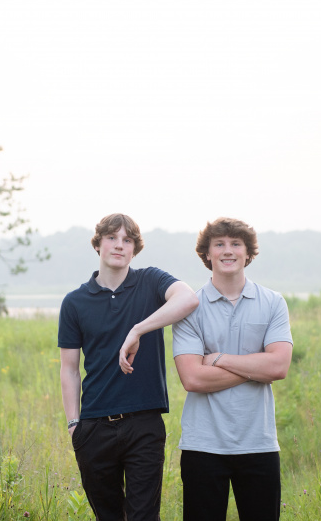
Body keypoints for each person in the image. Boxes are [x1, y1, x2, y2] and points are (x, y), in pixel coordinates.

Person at [58, 213, 199, 521]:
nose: (119, 245)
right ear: (98, 244)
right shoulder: (74, 302)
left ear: (135, 249)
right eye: (111, 238)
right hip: (94, 426)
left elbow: (188, 299)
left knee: (143, 516)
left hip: (144, 423)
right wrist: (74, 425)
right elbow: (69, 369)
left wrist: (138, 329)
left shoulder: (151, 282)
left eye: (127, 240)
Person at [172, 217, 293, 521]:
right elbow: (193, 378)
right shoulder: (189, 307)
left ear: (248, 252)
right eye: (220, 244)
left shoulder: (273, 302)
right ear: (207, 253)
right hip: (202, 445)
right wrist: (256, 365)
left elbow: (278, 366)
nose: (228, 250)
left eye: (236, 244)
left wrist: (219, 358)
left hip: (258, 443)